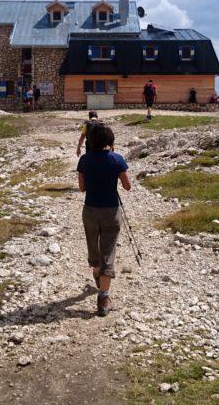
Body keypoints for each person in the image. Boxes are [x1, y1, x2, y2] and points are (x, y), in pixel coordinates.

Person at [76, 123, 131, 317]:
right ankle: (104, 298)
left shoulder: (84, 160)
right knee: (108, 251)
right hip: (111, 211)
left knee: (94, 248)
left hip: (90, 210)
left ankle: (97, 274)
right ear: (110, 142)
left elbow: (82, 188)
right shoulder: (117, 160)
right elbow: (127, 186)